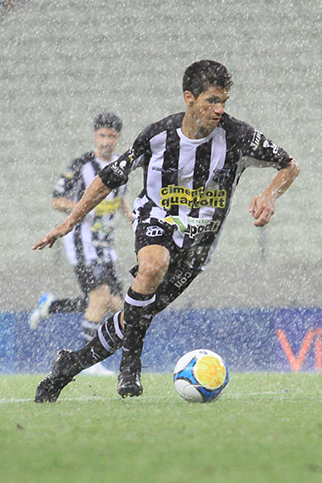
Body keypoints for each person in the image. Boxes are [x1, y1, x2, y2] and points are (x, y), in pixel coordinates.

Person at [32, 60, 300, 401]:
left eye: (224, 102)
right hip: (156, 219)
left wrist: (269, 194)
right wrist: (70, 220)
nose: (220, 110)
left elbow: (290, 166)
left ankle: (68, 366)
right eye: (212, 101)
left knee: (134, 318)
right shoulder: (158, 136)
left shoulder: (239, 137)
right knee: (153, 265)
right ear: (189, 98)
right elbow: (111, 177)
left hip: (198, 246)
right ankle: (131, 364)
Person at [29, 112, 133, 376]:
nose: (107, 141)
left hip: (106, 244)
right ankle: (90, 361)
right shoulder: (81, 166)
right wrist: (82, 207)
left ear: (118, 138)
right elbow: (56, 200)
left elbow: (120, 195)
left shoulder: (121, 165)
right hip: (82, 242)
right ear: (94, 135)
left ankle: (51, 305)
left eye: (112, 136)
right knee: (99, 297)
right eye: (102, 135)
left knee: (115, 303)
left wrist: (130, 216)